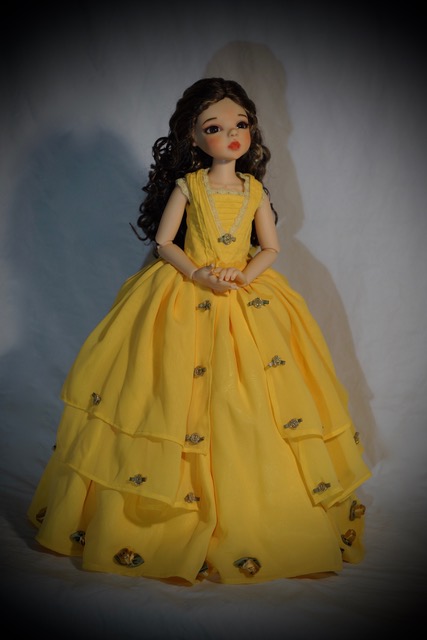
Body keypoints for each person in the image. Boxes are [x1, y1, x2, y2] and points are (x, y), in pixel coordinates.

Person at [28, 77, 371, 585]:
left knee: (256, 398)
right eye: (215, 128)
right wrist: (199, 274)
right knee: (164, 392)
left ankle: (260, 517)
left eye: (240, 125)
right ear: (192, 136)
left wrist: (244, 276)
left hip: (244, 293)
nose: (231, 136)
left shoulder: (254, 190)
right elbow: (165, 242)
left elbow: (271, 247)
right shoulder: (189, 187)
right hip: (185, 293)